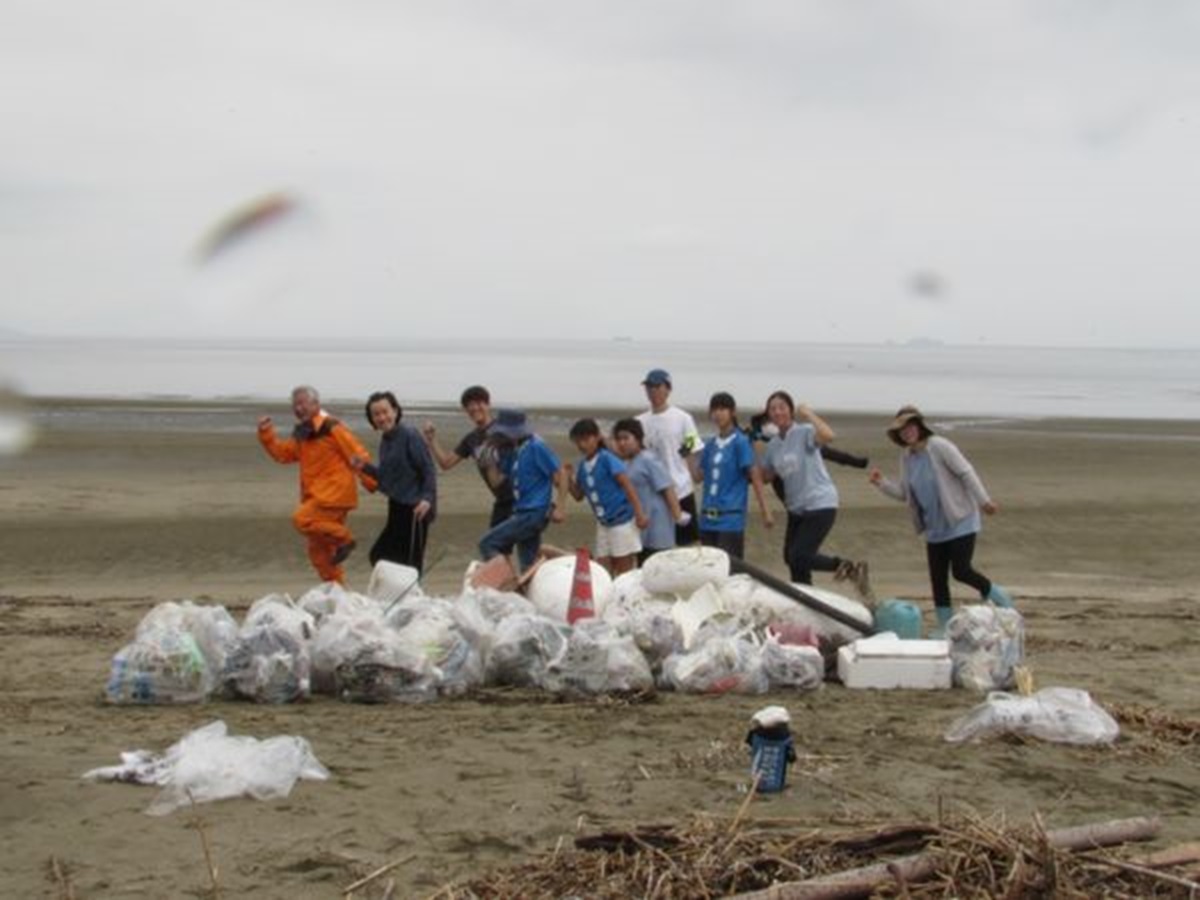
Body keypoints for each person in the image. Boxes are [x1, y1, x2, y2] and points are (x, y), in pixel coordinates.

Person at [869, 405, 1014, 633]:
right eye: (902, 430)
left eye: (910, 426)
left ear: (919, 426)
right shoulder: (907, 457)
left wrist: (984, 501)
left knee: (961, 570)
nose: (907, 432)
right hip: (934, 528)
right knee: (938, 580)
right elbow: (905, 494)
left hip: (960, 520)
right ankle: (943, 626)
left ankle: (998, 595)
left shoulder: (940, 446)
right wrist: (882, 483)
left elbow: (966, 472)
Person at [257, 385, 375, 584]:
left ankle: (345, 538)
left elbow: (356, 454)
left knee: (302, 519)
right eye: (295, 405)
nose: (298, 408)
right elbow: (283, 454)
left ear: (316, 404)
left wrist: (372, 481)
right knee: (318, 552)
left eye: (302, 403)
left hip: (334, 494)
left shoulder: (332, 427)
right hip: (318, 496)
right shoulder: (303, 433)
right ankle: (337, 591)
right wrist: (266, 433)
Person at [759, 390, 870, 595]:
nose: (777, 411)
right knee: (792, 559)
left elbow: (829, 435)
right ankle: (806, 600)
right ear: (769, 415)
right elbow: (765, 476)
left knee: (799, 555)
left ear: (791, 411)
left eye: (781, 407)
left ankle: (848, 567)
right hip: (797, 509)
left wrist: (808, 412)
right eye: (772, 409)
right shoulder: (773, 446)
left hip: (820, 503)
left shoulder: (804, 431)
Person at [355, 391, 437, 574]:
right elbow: (386, 477)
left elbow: (428, 469)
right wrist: (365, 467)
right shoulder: (386, 440)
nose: (382, 417)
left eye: (385, 411)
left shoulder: (410, 435)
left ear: (395, 411)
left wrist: (427, 499)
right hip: (397, 506)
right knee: (381, 556)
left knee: (409, 563)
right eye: (376, 414)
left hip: (416, 509)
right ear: (372, 419)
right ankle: (396, 594)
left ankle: (411, 598)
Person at [477, 409, 566, 572]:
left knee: (487, 543)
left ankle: (507, 581)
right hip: (523, 511)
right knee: (528, 561)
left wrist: (560, 508)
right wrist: (489, 461)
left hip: (534, 512)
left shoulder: (536, 446)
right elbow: (497, 482)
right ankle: (530, 587)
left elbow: (561, 473)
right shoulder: (514, 451)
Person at [688, 392, 773, 559]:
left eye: (723, 409)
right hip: (706, 520)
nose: (718, 414)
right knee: (709, 570)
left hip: (730, 519)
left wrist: (765, 511)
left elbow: (754, 476)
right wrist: (688, 455)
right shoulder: (710, 444)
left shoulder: (740, 442)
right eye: (714, 410)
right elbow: (698, 477)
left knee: (730, 572)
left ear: (732, 412)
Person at [422, 385, 514, 528]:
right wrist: (432, 440)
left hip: (521, 497)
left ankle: (559, 552)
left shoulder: (505, 431)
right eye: (470, 405)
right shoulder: (471, 439)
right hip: (502, 501)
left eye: (479, 403)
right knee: (501, 545)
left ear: (488, 405)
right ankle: (560, 552)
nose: (475, 408)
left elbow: (529, 453)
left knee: (498, 544)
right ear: (466, 410)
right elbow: (446, 463)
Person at [564, 418, 647, 575]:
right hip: (603, 523)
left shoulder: (607, 459)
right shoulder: (582, 467)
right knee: (603, 568)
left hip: (621, 521)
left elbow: (627, 486)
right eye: (578, 441)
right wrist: (567, 479)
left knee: (624, 570)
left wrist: (639, 514)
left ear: (597, 438)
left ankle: (625, 597)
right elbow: (578, 495)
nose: (582, 445)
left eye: (586, 440)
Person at [637, 368, 703, 546]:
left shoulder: (683, 418)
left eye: (657, 386)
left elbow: (689, 448)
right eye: (649, 387)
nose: (653, 391)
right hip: (654, 494)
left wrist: (693, 475)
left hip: (681, 489)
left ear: (668, 389)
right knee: (656, 545)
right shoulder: (640, 421)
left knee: (688, 543)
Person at [612, 418, 684, 563]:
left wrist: (678, 516)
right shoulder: (627, 462)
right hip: (639, 527)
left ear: (638, 439)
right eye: (619, 439)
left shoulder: (649, 459)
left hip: (658, 528)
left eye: (626, 438)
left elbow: (667, 488)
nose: (622, 443)